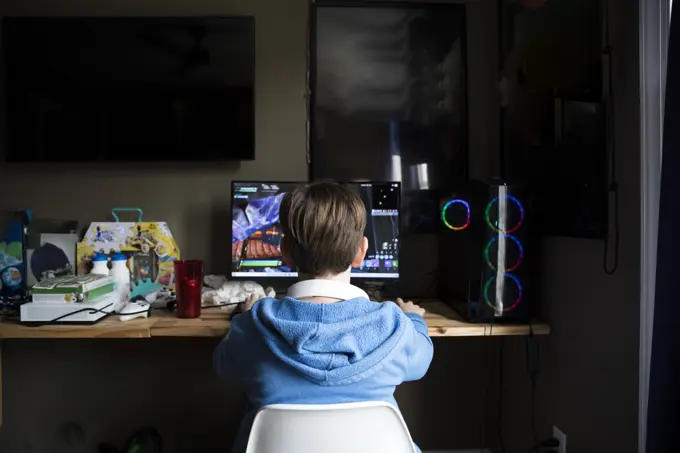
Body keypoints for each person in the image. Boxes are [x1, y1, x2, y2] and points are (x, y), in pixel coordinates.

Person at [213, 181, 434, 453]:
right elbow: (421, 361)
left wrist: (243, 320)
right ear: (361, 252)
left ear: (285, 253)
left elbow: (224, 366)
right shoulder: (395, 326)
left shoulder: (253, 326)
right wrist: (413, 319)